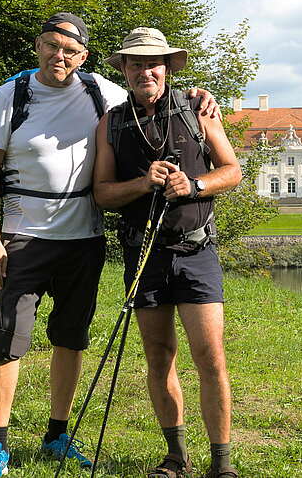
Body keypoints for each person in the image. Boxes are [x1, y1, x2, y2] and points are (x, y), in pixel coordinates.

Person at [0, 14, 218, 478]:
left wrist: (203, 97)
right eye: (49, 45)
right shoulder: (12, 94)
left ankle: (57, 435)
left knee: (71, 336)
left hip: (84, 236)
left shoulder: (100, 91)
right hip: (24, 234)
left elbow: (156, 92)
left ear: (83, 56)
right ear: (38, 46)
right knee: (7, 339)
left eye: (68, 50)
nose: (57, 56)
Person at [93, 27, 242, 478]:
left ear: (168, 67)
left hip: (196, 252)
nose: (145, 71)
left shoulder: (198, 108)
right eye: (135, 63)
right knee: (159, 356)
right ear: (124, 70)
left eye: (152, 63)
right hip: (144, 258)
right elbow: (101, 194)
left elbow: (232, 171)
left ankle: (222, 462)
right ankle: (176, 456)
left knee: (210, 355)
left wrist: (193, 186)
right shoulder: (112, 123)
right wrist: (143, 183)